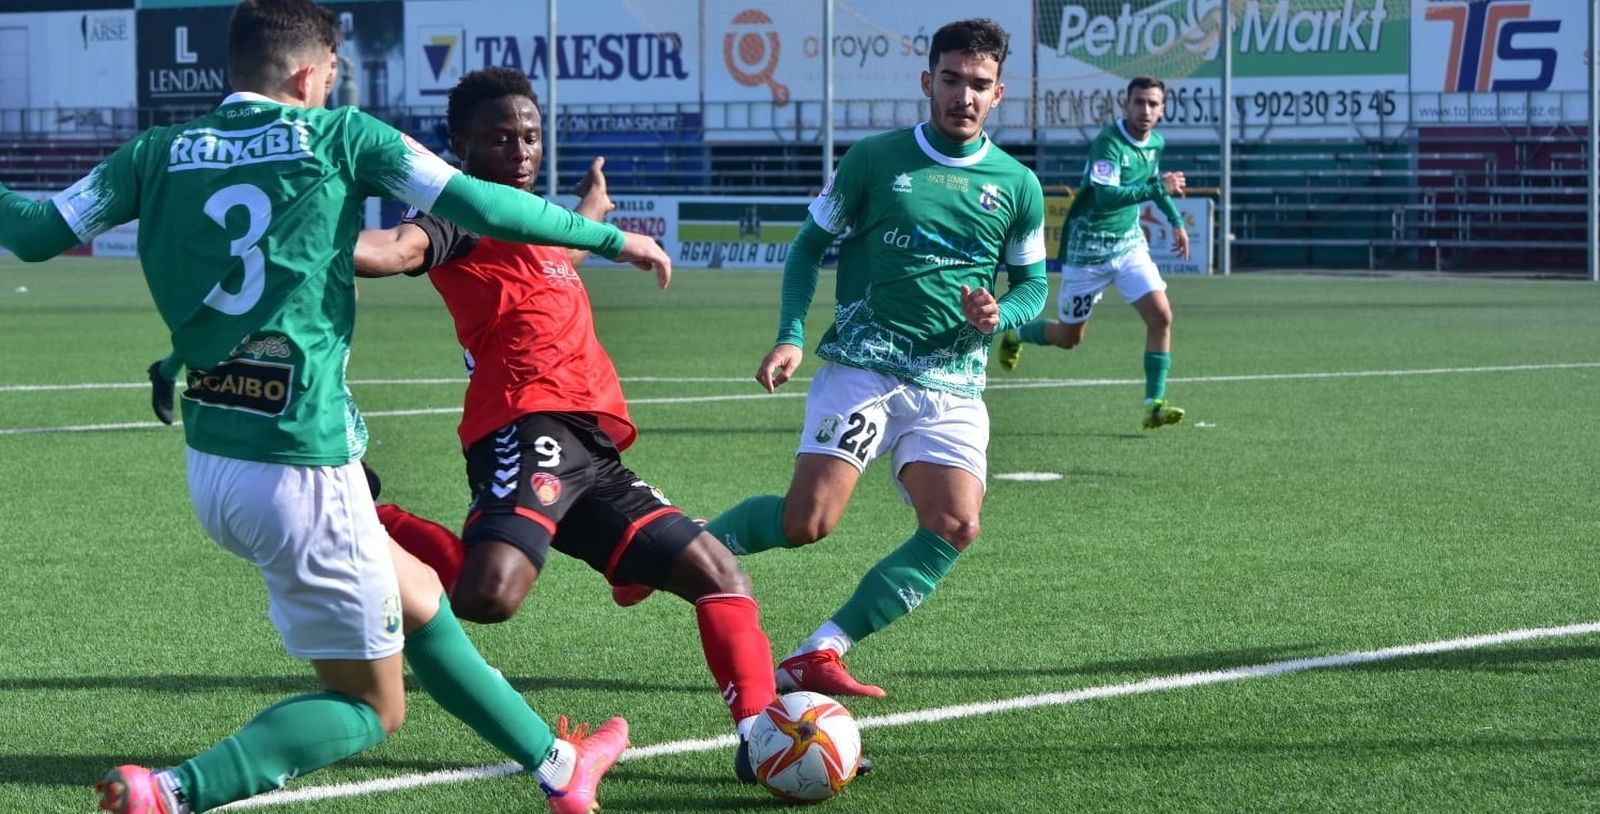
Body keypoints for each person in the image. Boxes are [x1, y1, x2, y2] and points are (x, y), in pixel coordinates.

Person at [0, 2, 673, 812]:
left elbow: (36, 230)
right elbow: (486, 207)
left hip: (217, 459)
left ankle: (561, 771)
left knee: (421, 597)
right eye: (332, 75)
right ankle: (170, 793)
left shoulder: (158, 150)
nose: (332, 87)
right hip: (299, 467)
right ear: (308, 73)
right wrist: (611, 237)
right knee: (370, 709)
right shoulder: (341, 135)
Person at [349, 66, 784, 783]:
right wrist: (310, 246)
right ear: (459, 144)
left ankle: (761, 735)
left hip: (594, 446)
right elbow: (398, 250)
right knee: (489, 598)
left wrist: (593, 207)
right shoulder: (460, 214)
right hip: (525, 424)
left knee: (717, 571)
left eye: (530, 136)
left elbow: (560, 253)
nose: (520, 150)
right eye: (499, 137)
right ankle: (369, 514)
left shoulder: (535, 224)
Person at [699, 18, 1048, 698]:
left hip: (952, 383)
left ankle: (821, 650)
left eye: (979, 85)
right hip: (866, 367)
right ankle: (672, 552)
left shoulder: (1018, 185)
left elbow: (1034, 286)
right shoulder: (874, 159)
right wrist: (792, 334)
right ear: (928, 82)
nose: (964, 97)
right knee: (808, 523)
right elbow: (806, 248)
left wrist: (1000, 314)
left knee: (955, 525)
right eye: (951, 80)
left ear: (999, 93)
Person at [996, 76, 1190, 430]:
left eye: (1152, 103)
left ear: (1162, 109)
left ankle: (1154, 404)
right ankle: (1017, 334)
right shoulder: (1109, 144)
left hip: (1129, 244)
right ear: (1125, 104)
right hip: (1087, 251)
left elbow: (1155, 185)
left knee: (1161, 316)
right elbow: (1105, 197)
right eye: (1139, 102)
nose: (1145, 110)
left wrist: (1175, 220)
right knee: (1070, 338)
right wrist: (1155, 187)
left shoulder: (1154, 143)